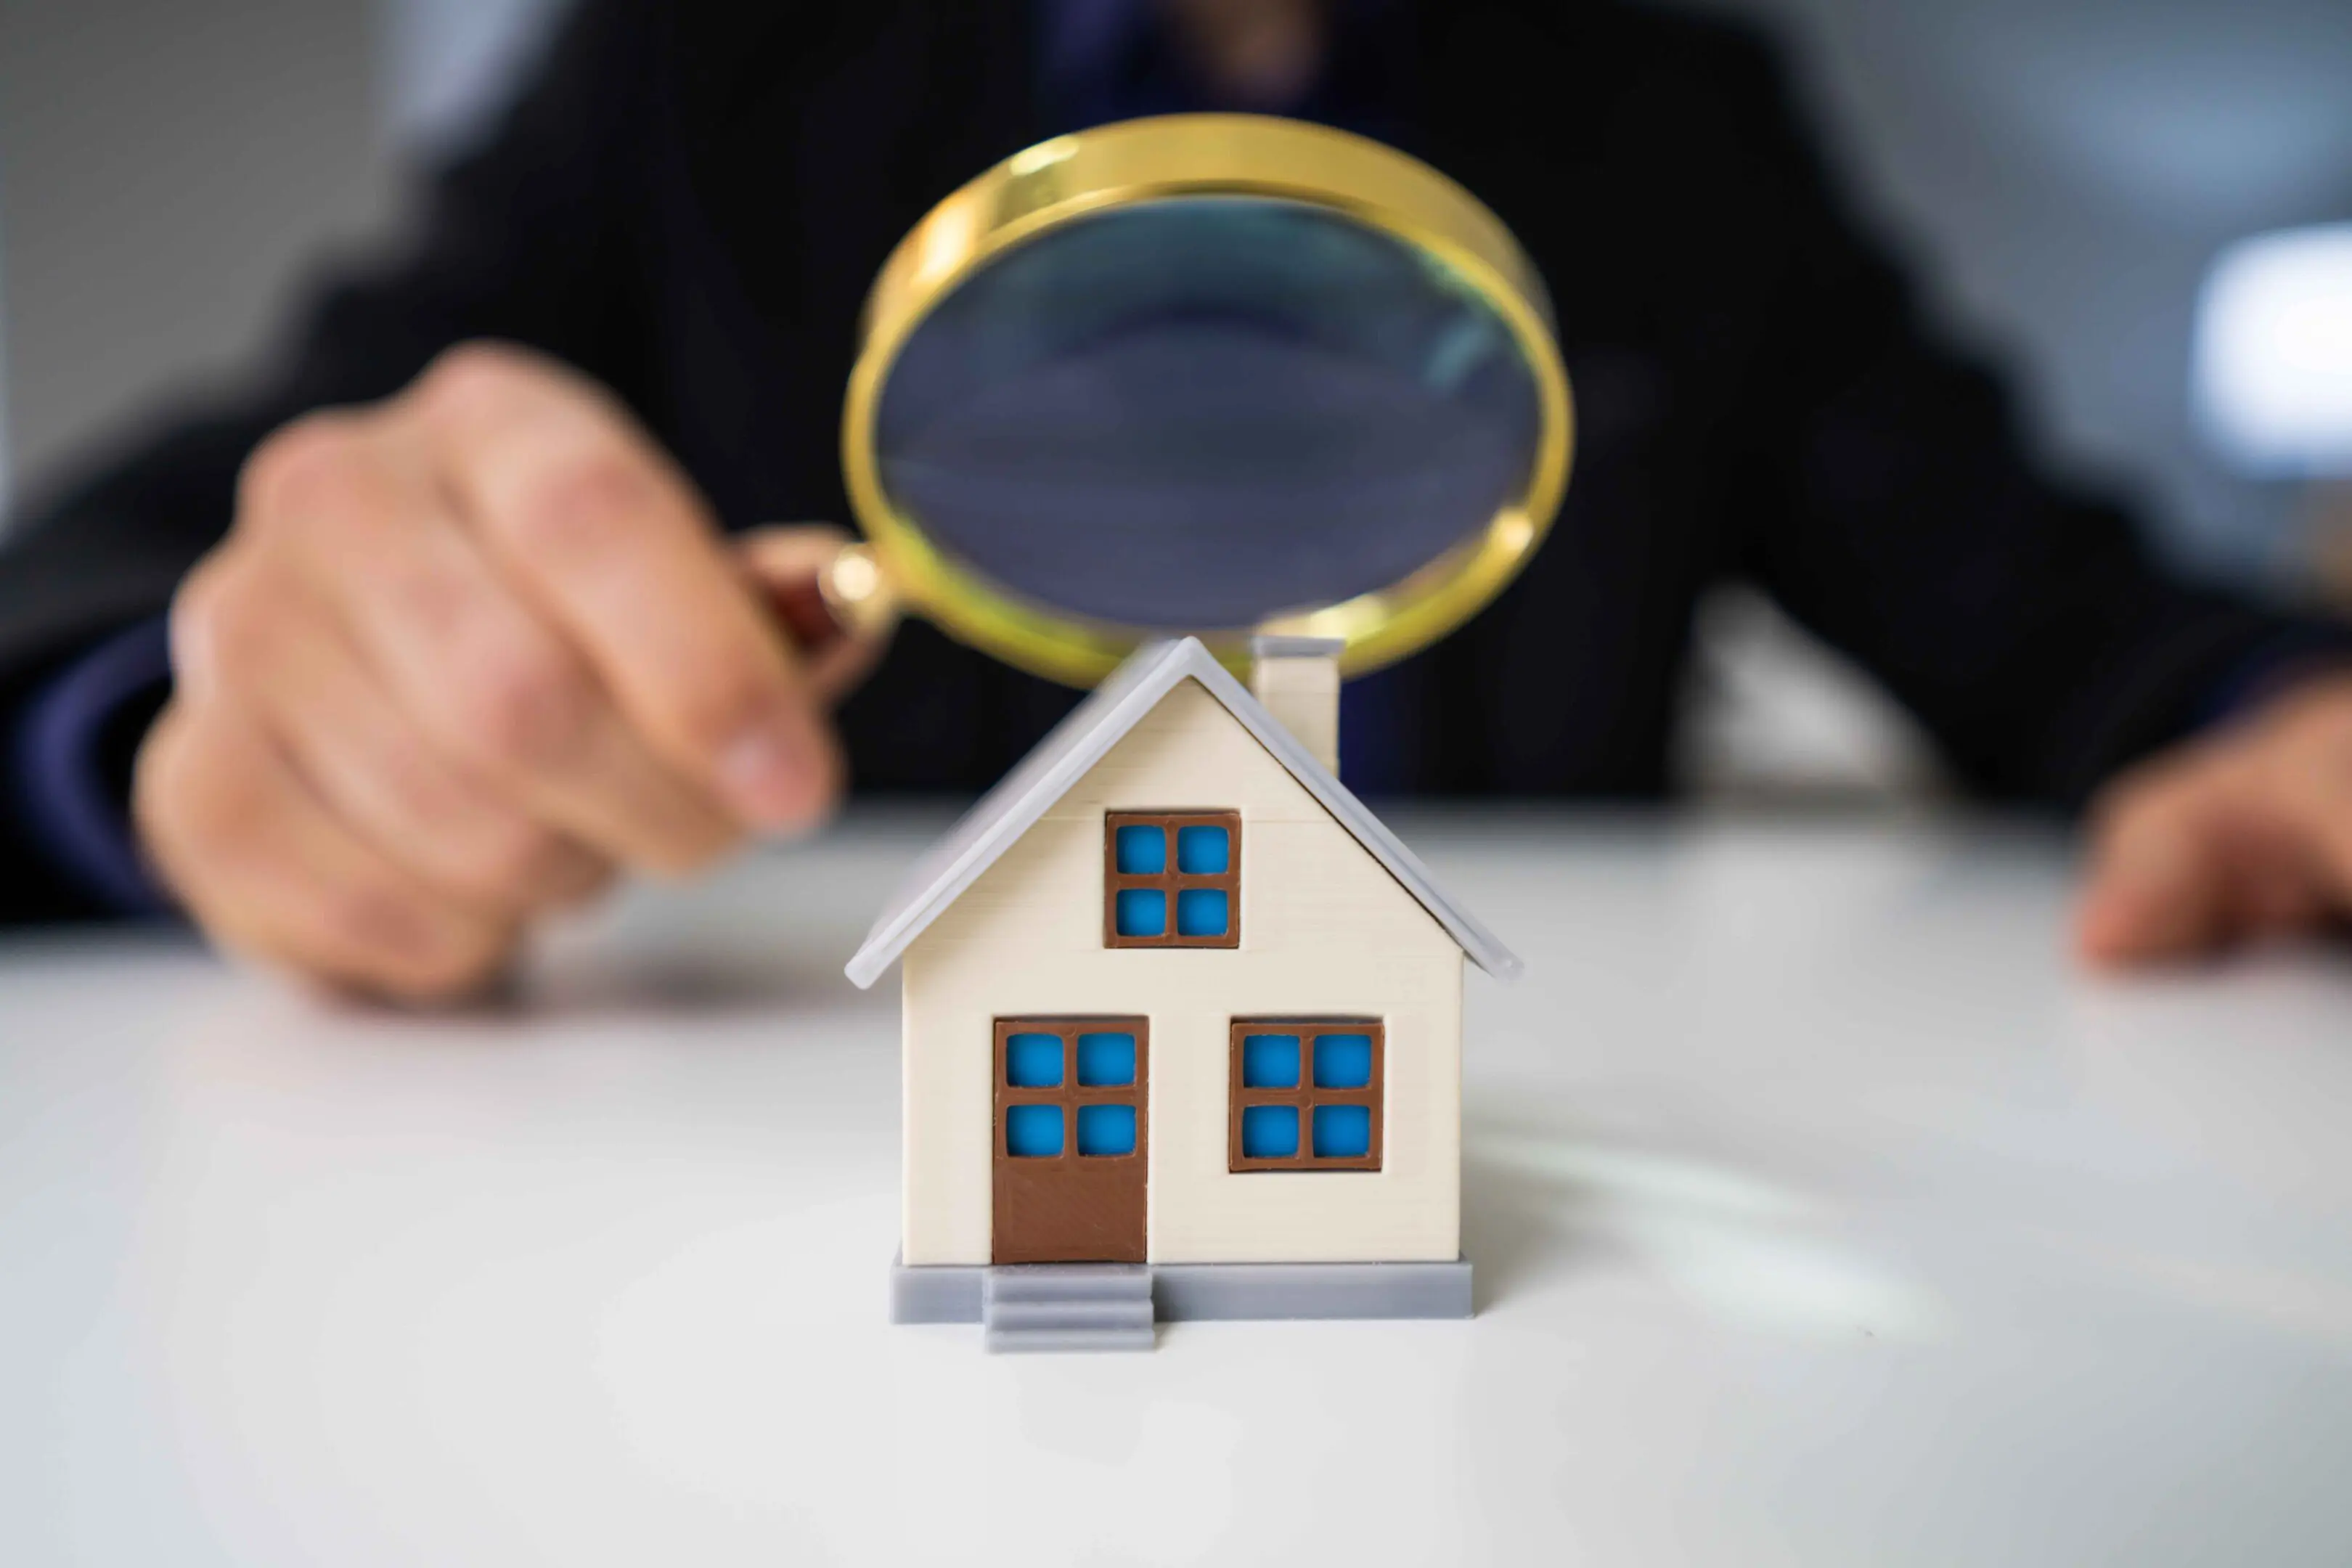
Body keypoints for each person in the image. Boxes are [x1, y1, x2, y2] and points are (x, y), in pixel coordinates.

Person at [1, 0, 2347, 999]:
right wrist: (195, 725)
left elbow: (2059, 618)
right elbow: (130, 573)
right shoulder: (706, 62)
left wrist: (2280, 709)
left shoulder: (1672, 113)